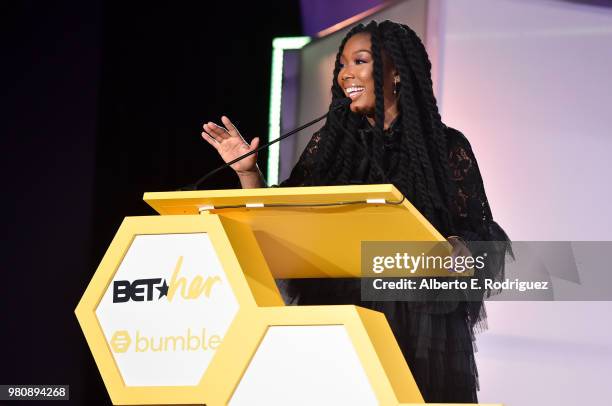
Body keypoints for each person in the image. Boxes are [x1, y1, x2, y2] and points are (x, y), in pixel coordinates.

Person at [202, 20, 512, 403]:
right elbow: (281, 218)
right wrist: (249, 173)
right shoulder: (330, 144)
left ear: (395, 71)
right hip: (340, 316)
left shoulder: (445, 148)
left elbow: (487, 241)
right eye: (342, 65)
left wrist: (455, 249)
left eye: (360, 61)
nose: (346, 73)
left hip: (419, 328)